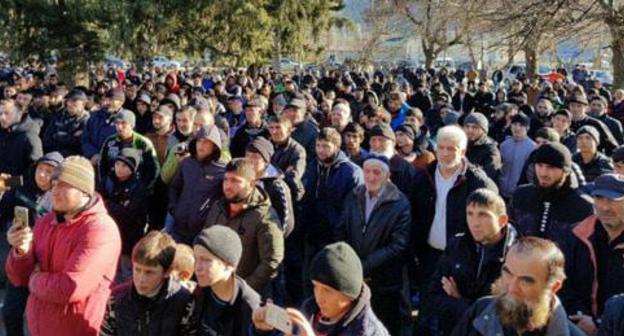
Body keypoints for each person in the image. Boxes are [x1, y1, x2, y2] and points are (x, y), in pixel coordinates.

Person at [5, 156, 122, 335]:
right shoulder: (45, 222)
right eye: (53, 185)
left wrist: (35, 279)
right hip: (39, 327)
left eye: (63, 185)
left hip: (77, 329)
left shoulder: (100, 229)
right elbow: (17, 278)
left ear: (84, 191)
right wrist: (21, 251)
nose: (54, 192)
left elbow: (70, 288)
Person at [423, 189, 518, 336]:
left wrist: (459, 300)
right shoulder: (457, 245)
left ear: (502, 220)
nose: (475, 223)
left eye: (483, 215)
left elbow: (501, 314)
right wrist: (472, 306)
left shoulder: (516, 256)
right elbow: (433, 296)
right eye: (470, 214)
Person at [335, 154, 411, 335]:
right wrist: (350, 262)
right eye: (367, 172)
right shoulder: (354, 196)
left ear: (387, 176)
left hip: (384, 281)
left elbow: (398, 245)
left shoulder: (400, 203)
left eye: (376, 173)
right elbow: (341, 229)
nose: (370, 177)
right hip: (354, 276)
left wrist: (364, 265)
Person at [413, 125, 498, 285]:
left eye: (452, 149)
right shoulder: (424, 177)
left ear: (463, 152)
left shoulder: (477, 182)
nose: (445, 154)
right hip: (429, 255)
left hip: (463, 258)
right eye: (441, 148)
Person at [451, 237, 583, 336]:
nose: (511, 287)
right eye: (507, 273)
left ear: (553, 287)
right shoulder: (480, 311)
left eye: (526, 281)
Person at [252, 242, 390, 336]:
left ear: (349, 294)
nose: (319, 297)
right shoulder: (309, 312)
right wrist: (263, 331)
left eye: (328, 290)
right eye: (315, 286)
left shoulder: (369, 331)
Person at [0, 152, 63, 336]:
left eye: (49, 171)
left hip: (47, 266)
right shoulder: (20, 186)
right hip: (20, 259)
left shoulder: (61, 196)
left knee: (45, 320)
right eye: (40, 169)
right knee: (10, 312)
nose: (42, 175)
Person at [202, 158, 284, 292]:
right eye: (226, 179)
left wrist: (241, 289)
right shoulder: (218, 207)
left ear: (252, 184)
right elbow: (205, 240)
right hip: (214, 286)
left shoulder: (264, 217)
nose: (227, 186)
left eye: (235, 181)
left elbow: (272, 262)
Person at [559, 174, 624, 335]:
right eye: (599, 198)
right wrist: (580, 316)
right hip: (576, 326)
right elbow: (561, 281)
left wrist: (600, 324)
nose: (604, 207)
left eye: (613, 200)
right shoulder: (575, 235)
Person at [100, 231, 195, 335]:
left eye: (149, 272)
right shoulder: (117, 298)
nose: (141, 279)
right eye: (137, 269)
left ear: (167, 271)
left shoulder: (184, 302)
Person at [302, 128, 363, 286]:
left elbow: (354, 210)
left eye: (325, 146)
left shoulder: (351, 172)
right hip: (312, 233)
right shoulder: (313, 166)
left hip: (336, 236)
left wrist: (340, 232)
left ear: (336, 146)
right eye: (318, 145)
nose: (321, 150)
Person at [511, 143, 593, 242]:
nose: (543, 173)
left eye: (551, 167)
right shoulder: (521, 195)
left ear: (565, 171)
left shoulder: (583, 207)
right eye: (540, 165)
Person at [193, 225, 262, 335]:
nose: (197, 267)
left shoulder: (249, 306)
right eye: (195, 258)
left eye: (206, 260)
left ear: (229, 265)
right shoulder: (200, 291)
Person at [168, 124, 225, 244]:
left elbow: (224, 200)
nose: (201, 144)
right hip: (179, 226)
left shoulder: (222, 170)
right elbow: (174, 187)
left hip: (202, 232)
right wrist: (174, 207)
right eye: (199, 140)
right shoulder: (187, 163)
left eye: (206, 142)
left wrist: (212, 219)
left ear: (214, 146)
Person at [100, 148, 149, 281]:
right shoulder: (107, 181)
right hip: (106, 233)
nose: (119, 169)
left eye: (124, 166)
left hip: (129, 237)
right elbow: (97, 201)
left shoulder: (138, 188)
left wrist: (108, 205)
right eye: (117, 164)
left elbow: (130, 214)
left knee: (127, 272)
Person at [98, 110, 160, 191]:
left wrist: (144, 188)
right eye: (117, 123)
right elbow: (102, 164)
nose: (119, 127)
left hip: (136, 189)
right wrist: (105, 184)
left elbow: (154, 169)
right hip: (113, 188)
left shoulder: (143, 143)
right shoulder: (110, 141)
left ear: (132, 125)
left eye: (123, 123)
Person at [245, 136, 294, 235]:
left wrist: (272, 240)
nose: (250, 160)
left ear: (265, 160)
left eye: (255, 157)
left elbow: (287, 222)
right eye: (247, 156)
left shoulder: (276, 185)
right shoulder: (244, 179)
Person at [81, 89, 130, 164]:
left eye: (111, 100)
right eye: (106, 99)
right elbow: (85, 139)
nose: (107, 102)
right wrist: (92, 154)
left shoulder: (126, 119)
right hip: (92, 160)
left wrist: (106, 158)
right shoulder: (94, 116)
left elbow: (128, 143)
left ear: (121, 103)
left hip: (115, 164)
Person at [268, 115, 306, 203]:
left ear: (289, 130)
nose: (274, 131)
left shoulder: (297, 151)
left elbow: (293, 177)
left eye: (278, 128)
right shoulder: (267, 146)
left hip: (286, 197)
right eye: (271, 128)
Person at [0, 98, 43, 176]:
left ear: (20, 113)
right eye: (0, 113)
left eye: (7, 113)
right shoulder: (3, 131)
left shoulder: (30, 137)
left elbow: (35, 174)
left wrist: (10, 182)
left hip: (14, 185)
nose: (2, 118)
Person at [42, 89, 90, 157]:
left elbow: (79, 143)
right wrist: (69, 136)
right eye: (69, 100)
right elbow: (47, 138)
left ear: (83, 104)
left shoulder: (87, 120)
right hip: (53, 154)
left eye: (74, 101)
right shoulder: (59, 115)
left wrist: (57, 136)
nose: (70, 104)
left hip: (73, 158)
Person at [499, 113, 536, 200]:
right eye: (515, 124)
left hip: (520, 193)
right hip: (501, 189)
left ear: (527, 128)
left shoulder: (532, 147)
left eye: (521, 125)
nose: (517, 128)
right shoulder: (504, 144)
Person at [463, 112, 502, 181]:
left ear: (483, 130)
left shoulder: (491, 151)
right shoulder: (461, 146)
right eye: (467, 126)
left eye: (475, 127)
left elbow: (484, 177)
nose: (470, 130)